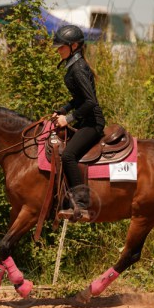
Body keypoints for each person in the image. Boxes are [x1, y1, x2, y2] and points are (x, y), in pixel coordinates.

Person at [52, 24, 105, 220]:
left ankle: (82, 204)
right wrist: (63, 109)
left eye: (61, 47)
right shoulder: (73, 65)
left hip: (93, 123)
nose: (58, 50)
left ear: (74, 46)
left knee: (68, 156)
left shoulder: (79, 68)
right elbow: (79, 98)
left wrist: (68, 118)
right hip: (84, 120)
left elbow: (91, 102)